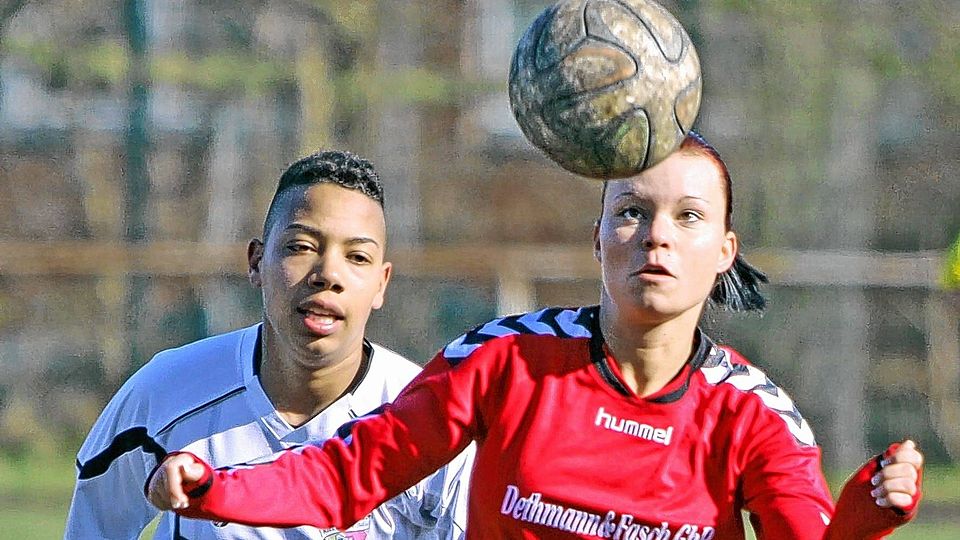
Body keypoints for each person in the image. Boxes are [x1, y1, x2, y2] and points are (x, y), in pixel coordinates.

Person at [146, 133, 924, 539]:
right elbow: (348, 477)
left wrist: (863, 516)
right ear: (598, 238)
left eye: (687, 217)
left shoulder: (752, 416)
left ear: (723, 251)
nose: (655, 236)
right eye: (631, 211)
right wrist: (215, 485)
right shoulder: (507, 360)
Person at [66, 150, 472, 539]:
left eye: (357, 257)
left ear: (381, 284)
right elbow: (94, 525)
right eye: (301, 247)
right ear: (257, 262)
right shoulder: (165, 391)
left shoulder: (430, 419)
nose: (328, 273)